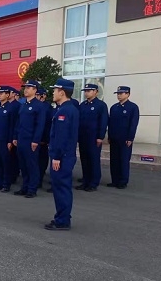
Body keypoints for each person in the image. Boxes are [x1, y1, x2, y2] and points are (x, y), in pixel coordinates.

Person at [45, 78, 79, 231]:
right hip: (65, 155)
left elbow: (61, 137)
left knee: (62, 188)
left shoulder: (65, 111)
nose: (53, 92)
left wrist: (57, 156)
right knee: (61, 188)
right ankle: (62, 217)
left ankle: (63, 220)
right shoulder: (65, 108)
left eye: (55, 90)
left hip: (62, 156)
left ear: (62, 92)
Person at [13, 80, 46, 198]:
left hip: (31, 140)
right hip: (21, 139)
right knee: (23, 165)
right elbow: (18, 122)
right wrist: (15, 137)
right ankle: (24, 187)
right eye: (25, 87)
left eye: (29, 87)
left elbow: (40, 125)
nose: (26, 89)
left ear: (35, 90)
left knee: (32, 165)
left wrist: (35, 140)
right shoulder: (23, 105)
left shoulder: (39, 106)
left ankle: (32, 189)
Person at [77, 83, 109, 192]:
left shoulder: (101, 105)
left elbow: (103, 122)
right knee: (84, 159)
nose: (86, 93)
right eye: (85, 91)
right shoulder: (82, 105)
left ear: (96, 92)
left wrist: (100, 136)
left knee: (93, 160)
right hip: (83, 137)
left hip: (94, 137)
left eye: (89, 90)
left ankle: (93, 182)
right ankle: (85, 181)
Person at [107, 86, 140, 189]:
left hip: (125, 139)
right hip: (114, 138)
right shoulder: (114, 107)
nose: (119, 95)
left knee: (124, 160)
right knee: (114, 160)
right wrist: (109, 136)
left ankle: (123, 181)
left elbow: (133, 124)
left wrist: (130, 138)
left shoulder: (133, 107)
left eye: (121, 93)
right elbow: (110, 123)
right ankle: (115, 180)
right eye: (118, 93)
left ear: (128, 94)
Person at [0, 86, 16, 192]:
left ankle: (6, 184)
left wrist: (10, 140)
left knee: (6, 162)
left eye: (2, 93)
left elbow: (12, 126)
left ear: (7, 95)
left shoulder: (11, 108)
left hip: (5, 140)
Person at [36, 88, 54, 190]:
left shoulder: (47, 108)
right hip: (36, 138)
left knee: (41, 160)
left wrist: (46, 139)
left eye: (39, 95)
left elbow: (47, 125)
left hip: (43, 138)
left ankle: (39, 179)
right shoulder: (36, 106)